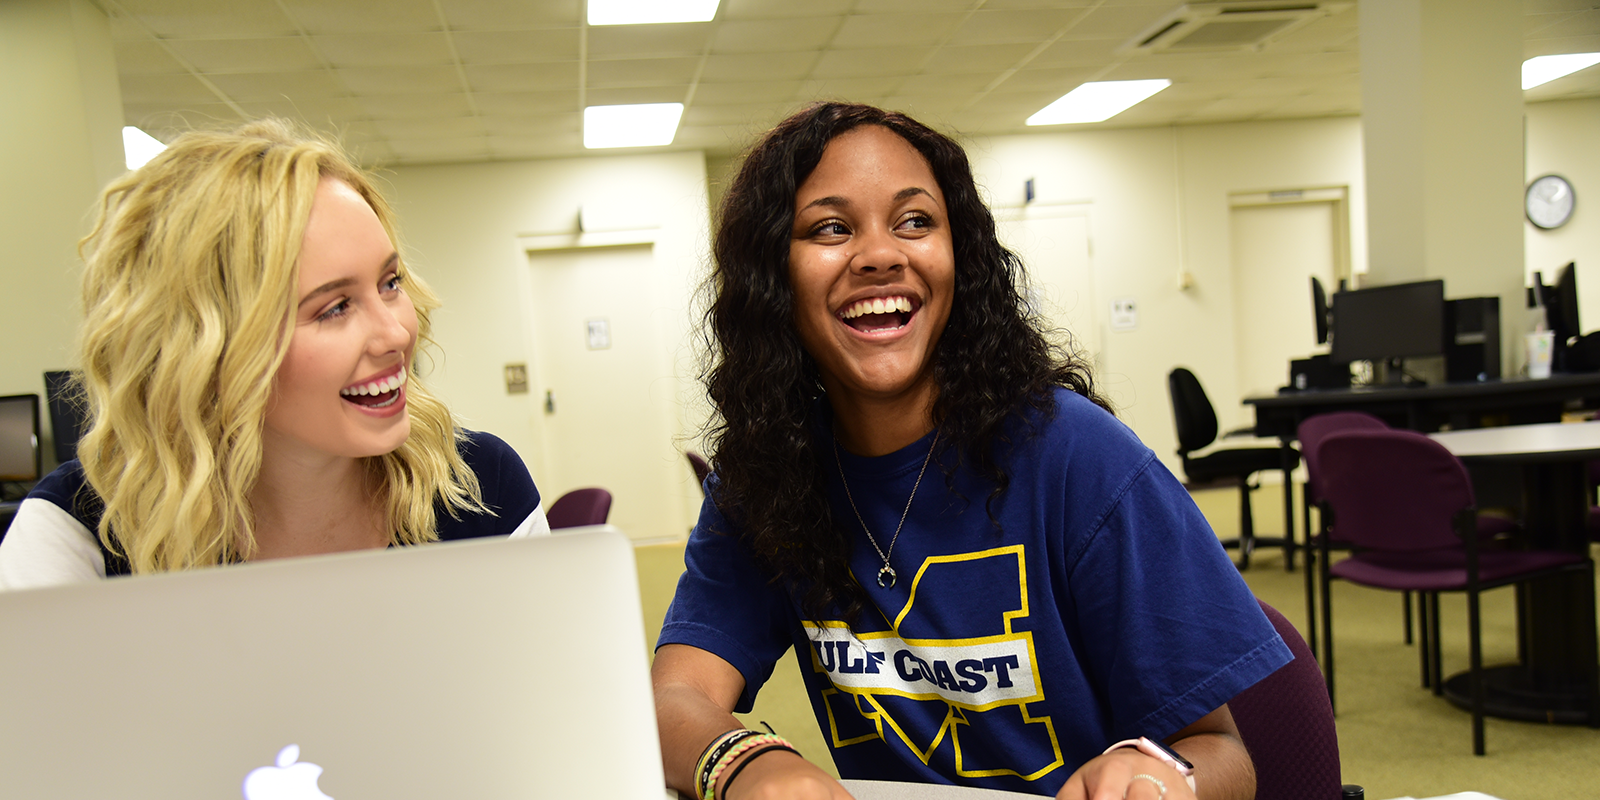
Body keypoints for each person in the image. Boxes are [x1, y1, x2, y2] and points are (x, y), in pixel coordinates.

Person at [652, 103, 1292, 800]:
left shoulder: (1080, 458)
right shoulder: (769, 476)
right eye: (831, 229)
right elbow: (671, 700)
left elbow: (1224, 753)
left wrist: (1164, 779)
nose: (880, 254)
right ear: (773, 277)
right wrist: (745, 764)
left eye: (916, 221)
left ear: (962, 256)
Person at [0, 119, 546, 590]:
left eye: (389, 282)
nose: (397, 333)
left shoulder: (480, 490)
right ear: (208, 353)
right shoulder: (81, 532)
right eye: (333, 307)